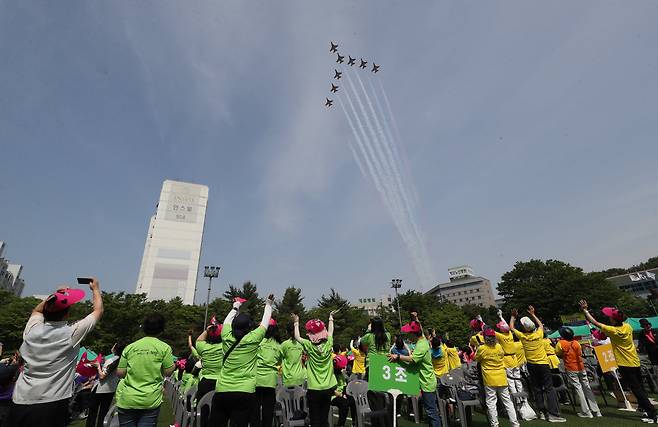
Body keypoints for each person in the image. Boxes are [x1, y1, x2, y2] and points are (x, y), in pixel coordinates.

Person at [9, 279, 104, 427]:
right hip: (53, 402)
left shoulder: (31, 330)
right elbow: (98, 311)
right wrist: (96, 289)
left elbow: (36, 311)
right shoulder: (71, 333)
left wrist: (56, 296)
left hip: (20, 400)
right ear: (66, 314)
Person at [579, 299, 658, 423]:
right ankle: (647, 410)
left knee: (636, 389)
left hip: (624, 363)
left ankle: (653, 413)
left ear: (614, 320)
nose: (609, 318)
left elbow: (595, 322)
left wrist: (585, 310)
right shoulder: (628, 326)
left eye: (610, 316)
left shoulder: (614, 331)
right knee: (639, 388)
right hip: (634, 361)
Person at [210, 295, 274, 426]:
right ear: (249, 327)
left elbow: (227, 320)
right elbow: (265, 322)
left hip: (222, 389)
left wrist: (236, 306)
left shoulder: (226, 335)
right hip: (245, 391)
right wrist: (268, 304)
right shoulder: (254, 338)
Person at [115, 313, 175, 427]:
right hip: (150, 400)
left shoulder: (130, 347)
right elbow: (168, 372)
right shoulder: (164, 347)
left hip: (128, 398)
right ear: (161, 330)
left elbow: (120, 373)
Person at [510, 306, 565, 422]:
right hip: (543, 364)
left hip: (531, 365)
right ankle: (553, 414)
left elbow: (511, 327)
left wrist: (513, 317)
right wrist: (533, 314)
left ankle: (541, 412)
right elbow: (541, 325)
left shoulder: (523, 337)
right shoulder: (539, 334)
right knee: (549, 388)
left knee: (537, 388)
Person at [389, 320, 441, 427]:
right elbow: (420, 328)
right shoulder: (421, 341)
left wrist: (398, 357)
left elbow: (413, 359)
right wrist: (416, 318)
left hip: (427, 382)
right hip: (424, 381)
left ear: (413, 334)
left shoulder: (421, 345)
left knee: (431, 412)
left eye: (408, 333)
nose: (407, 336)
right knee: (430, 411)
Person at [292, 311, 338, 427]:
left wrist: (296, 322)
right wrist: (331, 318)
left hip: (314, 388)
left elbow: (297, 337)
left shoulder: (309, 346)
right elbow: (331, 331)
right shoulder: (329, 343)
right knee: (324, 417)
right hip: (328, 387)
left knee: (315, 419)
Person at [495, 311, 535, 420]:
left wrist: (481, 322)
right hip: (514, 360)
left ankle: (518, 403)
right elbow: (507, 327)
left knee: (511, 383)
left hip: (507, 361)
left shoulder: (501, 336)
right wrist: (501, 316)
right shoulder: (510, 336)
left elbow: (488, 331)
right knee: (518, 380)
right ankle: (523, 400)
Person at [475, 328, 519, 427]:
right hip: (501, 377)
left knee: (491, 403)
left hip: (490, 378)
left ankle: (495, 424)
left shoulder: (482, 348)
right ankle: (515, 423)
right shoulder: (499, 347)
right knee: (507, 402)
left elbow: (477, 358)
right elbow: (502, 356)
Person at [555, 326, 601, 418]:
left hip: (571, 368)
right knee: (587, 388)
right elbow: (579, 353)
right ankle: (596, 411)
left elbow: (558, 353)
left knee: (579, 389)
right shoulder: (576, 343)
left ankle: (586, 412)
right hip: (581, 367)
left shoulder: (560, 343)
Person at [86, 342, 125, 427]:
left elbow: (102, 376)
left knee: (93, 412)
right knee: (103, 413)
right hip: (111, 389)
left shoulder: (111, 360)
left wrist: (98, 366)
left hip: (100, 389)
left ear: (115, 349)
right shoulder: (122, 360)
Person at [251, 318, 282, 427]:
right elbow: (279, 361)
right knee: (268, 411)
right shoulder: (279, 345)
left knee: (254, 410)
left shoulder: (258, 341)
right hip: (270, 381)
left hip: (256, 379)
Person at [194, 321, 223, 427]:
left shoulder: (203, 347)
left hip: (205, 383)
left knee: (203, 413)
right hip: (221, 383)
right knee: (220, 415)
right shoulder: (225, 347)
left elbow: (199, 340)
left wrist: (207, 330)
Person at [330, 354, 355, 427]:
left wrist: (345, 394)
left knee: (353, 400)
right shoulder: (330, 374)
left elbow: (344, 386)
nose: (341, 369)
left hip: (341, 394)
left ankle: (354, 422)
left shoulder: (340, 374)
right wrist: (341, 395)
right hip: (332, 396)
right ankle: (341, 424)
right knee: (344, 403)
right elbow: (330, 389)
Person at [280, 321, 306, 387]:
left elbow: (278, 359)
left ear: (287, 332)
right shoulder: (301, 345)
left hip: (288, 378)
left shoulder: (284, 345)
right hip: (300, 377)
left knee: (287, 397)